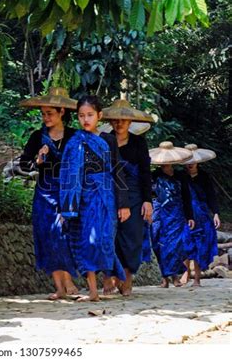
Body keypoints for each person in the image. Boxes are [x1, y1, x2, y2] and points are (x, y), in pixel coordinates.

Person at [60, 95, 130, 302]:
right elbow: (68, 173)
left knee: (104, 239)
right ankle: (92, 291)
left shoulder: (108, 140)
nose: (86, 120)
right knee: (86, 241)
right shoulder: (74, 142)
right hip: (83, 198)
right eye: (81, 116)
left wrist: (123, 203)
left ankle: (109, 274)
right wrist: (67, 205)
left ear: (99, 115)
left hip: (106, 197)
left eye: (90, 115)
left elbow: (118, 171)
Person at [18, 87, 78, 300]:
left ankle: (69, 279)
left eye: (49, 113)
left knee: (65, 234)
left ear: (62, 111)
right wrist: (38, 161)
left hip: (68, 192)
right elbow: (24, 164)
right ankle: (59, 287)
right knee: (48, 236)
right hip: (44, 193)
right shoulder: (37, 136)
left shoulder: (74, 136)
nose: (45, 118)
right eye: (43, 114)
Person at [101, 99, 154, 296]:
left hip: (135, 195)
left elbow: (145, 173)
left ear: (130, 122)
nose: (119, 123)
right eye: (115, 119)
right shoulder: (105, 140)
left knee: (131, 236)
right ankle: (108, 277)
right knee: (109, 235)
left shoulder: (139, 142)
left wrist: (148, 200)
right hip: (109, 192)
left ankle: (126, 277)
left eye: (123, 120)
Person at [149, 142, 195, 288]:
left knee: (175, 245)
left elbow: (186, 197)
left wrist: (190, 216)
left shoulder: (181, 176)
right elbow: (148, 195)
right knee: (158, 243)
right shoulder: (154, 176)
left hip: (176, 213)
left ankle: (175, 276)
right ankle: (164, 278)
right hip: (158, 213)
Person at [181, 144, 220, 286]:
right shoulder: (181, 177)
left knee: (199, 246)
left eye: (193, 161)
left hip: (202, 216)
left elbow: (211, 196)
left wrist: (215, 213)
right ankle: (185, 271)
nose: (190, 164)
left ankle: (196, 278)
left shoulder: (204, 177)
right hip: (185, 215)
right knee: (184, 244)